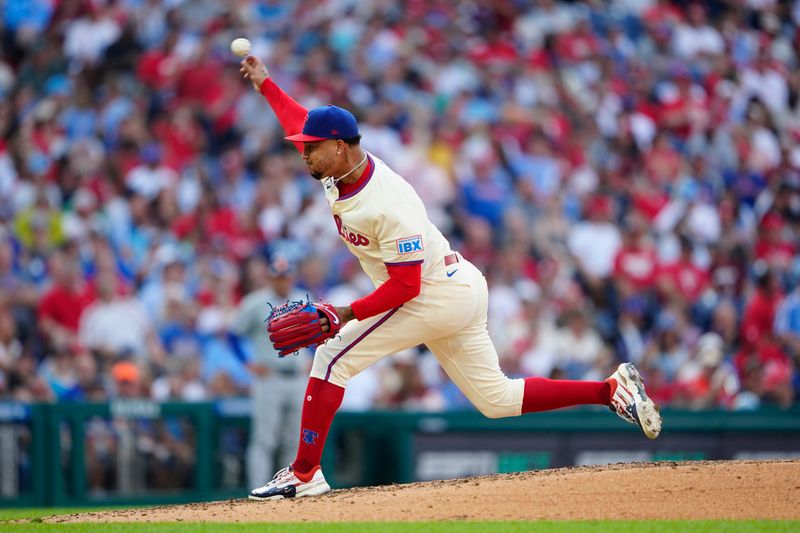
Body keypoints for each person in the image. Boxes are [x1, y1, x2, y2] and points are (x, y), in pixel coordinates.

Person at [239, 55, 662, 500]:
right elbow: (301, 119)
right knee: (495, 400)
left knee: (331, 356)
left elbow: (406, 288)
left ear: (339, 146)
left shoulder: (388, 204)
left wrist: (344, 313)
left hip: (433, 293)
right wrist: (267, 84)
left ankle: (305, 474)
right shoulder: (335, 165)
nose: (303, 150)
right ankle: (611, 389)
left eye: (311, 146)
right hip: (456, 285)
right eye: (303, 144)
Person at [231, 254, 310, 490]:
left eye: (285, 277)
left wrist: (313, 357)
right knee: (264, 439)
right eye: (278, 277)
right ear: (270, 278)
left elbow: (319, 333)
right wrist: (247, 363)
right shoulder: (255, 302)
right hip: (270, 377)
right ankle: (258, 490)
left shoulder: (304, 299)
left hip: (297, 377)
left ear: (292, 277)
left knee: (293, 441)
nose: (282, 281)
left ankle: (289, 489)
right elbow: (233, 335)